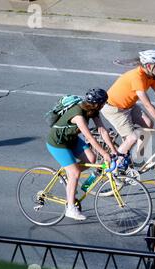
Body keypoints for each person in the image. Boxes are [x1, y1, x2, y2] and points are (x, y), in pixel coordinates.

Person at [101, 49, 155, 159]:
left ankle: (136, 158)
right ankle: (116, 164)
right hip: (114, 109)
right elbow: (148, 105)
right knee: (132, 138)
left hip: (129, 106)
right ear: (148, 65)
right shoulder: (137, 77)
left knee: (148, 124)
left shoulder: (151, 76)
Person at [46, 88, 118, 221]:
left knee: (92, 158)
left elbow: (102, 130)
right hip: (58, 143)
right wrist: (105, 153)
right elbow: (90, 138)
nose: (104, 105)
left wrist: (113, 150)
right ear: (97, 104)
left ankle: (70, 179)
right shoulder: (78, 115)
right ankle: (70, 209)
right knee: (75, 173)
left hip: (71, 139)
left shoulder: (94, 111)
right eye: (104, 103)